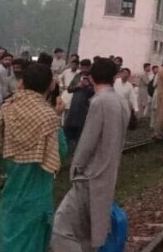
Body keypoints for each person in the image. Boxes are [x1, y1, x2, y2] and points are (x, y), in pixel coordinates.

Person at [0, 63, 66, 252]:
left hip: (12, 196)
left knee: (10, 244)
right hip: (37, 199)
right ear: (51, 85)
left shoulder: (8, 111)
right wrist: (57, 117)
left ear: (21, 83)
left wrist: (6, 159)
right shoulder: (48, 117)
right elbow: (60, 153)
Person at [52, 58, 131, 251]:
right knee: (89, 230)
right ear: (114, 77)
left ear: (91, 77)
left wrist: (76, 168)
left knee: (61, 229)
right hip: (107, 173)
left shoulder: (100, 102)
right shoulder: (121, 102)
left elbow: (87, 142)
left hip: (89, 176)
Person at [63, 59, 94, 153]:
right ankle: (66, 151)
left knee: (80, 132)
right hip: (73, 108)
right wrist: (78, 86)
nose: (84, 69)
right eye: (82, 67)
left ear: (89, 67)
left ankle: (78, 152)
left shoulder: (92, 78)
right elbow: (69, 89)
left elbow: (94, 92)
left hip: (84, 109)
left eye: (86, 67)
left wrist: (88, 86)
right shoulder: (77, 76)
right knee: (67, 130)